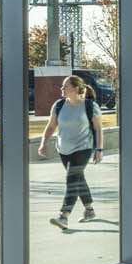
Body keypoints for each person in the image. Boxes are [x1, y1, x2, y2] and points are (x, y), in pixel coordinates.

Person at [38, 74, 104, 229]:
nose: (61, 88)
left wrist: (99, 149)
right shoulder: (59, 105)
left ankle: (64, 216)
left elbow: (98, 129)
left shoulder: (90, 106)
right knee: (78, 179)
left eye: (65, 86)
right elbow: (51, 126)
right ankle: (89, 210)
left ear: (75, 89)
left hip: (83, 148)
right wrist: (43, 143)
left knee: (71, 179)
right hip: (63, 149)